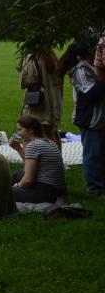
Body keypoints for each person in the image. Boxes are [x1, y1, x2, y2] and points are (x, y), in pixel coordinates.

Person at [62, 40, 105, 195]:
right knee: (93, 155)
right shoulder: (80, 70)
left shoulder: (94, 66)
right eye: (98, 50)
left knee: (100, 153)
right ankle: (95, 189)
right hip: (90, 119)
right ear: (90, 52)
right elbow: (92, 93)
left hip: (100, 117)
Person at [8, 114, 67, 204]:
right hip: (56, 189)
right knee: (19, 174)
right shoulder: (48, 142)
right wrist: (18, 148)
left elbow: (28, 180)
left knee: (4, 192)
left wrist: (17, 186)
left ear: (31, 130)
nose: (18, 134)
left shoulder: (34, 146)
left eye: (20, 130)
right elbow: (30, 165)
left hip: (45, 192)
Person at [19, 50, 63, 146]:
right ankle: (56, 158)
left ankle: (35, 159)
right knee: (53, 133)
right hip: (54, 99)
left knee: (31, 133)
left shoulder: (33, 57)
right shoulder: (53, 56)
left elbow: (26, 80)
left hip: (40, 102)